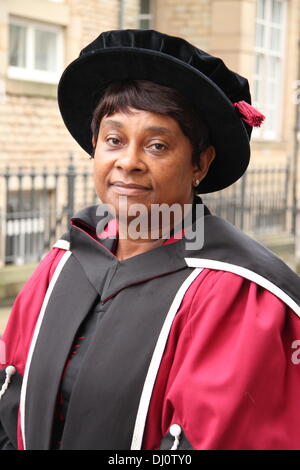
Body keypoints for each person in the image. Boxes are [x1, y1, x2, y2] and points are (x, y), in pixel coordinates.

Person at [1, 29, 300, 451]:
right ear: (95, 147)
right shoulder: (66, 259)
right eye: (114, 140)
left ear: (201, 162)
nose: (128, 162)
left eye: (157, 145)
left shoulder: (237, 292)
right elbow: (8, 389)